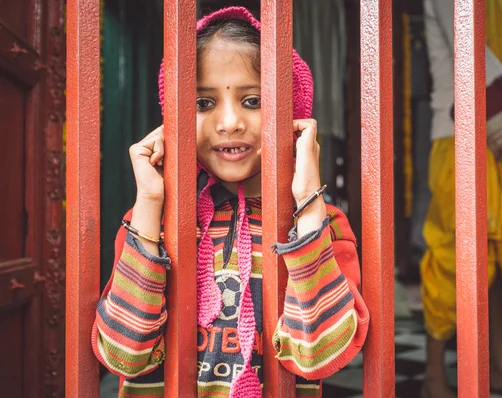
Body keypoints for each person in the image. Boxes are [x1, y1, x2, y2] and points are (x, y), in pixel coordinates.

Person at [91, 7, 369, 397]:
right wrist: (151, 202)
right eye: (203, 103)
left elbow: (323, 355)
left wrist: (306, 203)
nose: (229, 122)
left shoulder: (323, 224)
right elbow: (122, 355)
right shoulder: (151, 222)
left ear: (293, 116)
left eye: (253, 101)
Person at [421, 1, 502, 397]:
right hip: (459, 134)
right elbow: (474, 57)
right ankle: (433, 376)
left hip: (497, 135)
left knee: (494, 256)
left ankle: (500, 367)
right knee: (451, 256)